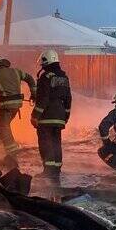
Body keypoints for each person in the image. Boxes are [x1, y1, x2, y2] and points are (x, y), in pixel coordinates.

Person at [0, 55, 36, 169]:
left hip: (5, 108)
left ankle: (12, 155)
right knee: (3, 127)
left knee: (4, 129)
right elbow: (30, 79)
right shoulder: (16, 72)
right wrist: (34, 94)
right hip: (16, 107)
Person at [31, 49, 72, 178]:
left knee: (45, 143)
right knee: (56, 143)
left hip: (46, 116)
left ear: (46, 61)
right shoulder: (64, 77)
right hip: (60, 116)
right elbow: (68, 98)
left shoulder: (46, 77)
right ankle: (56, 170)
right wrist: (65, 115)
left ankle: (48, 171)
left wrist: (35, 116)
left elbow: (43, 98)